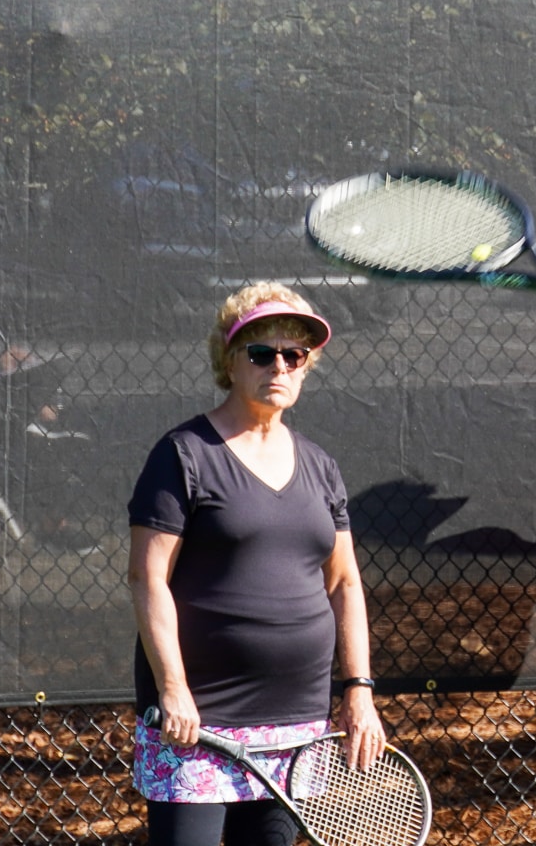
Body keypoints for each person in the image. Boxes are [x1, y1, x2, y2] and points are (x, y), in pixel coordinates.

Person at [127, 284, 385, 846]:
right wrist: (173, 688)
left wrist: (358, 690)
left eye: (294, 355)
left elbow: (344, 583)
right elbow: (147, 578)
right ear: (229, 360)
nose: (279, 366)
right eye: (262, 352)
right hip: (196, 724)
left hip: (296, 723)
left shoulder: (320, 466)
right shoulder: (183, 455)